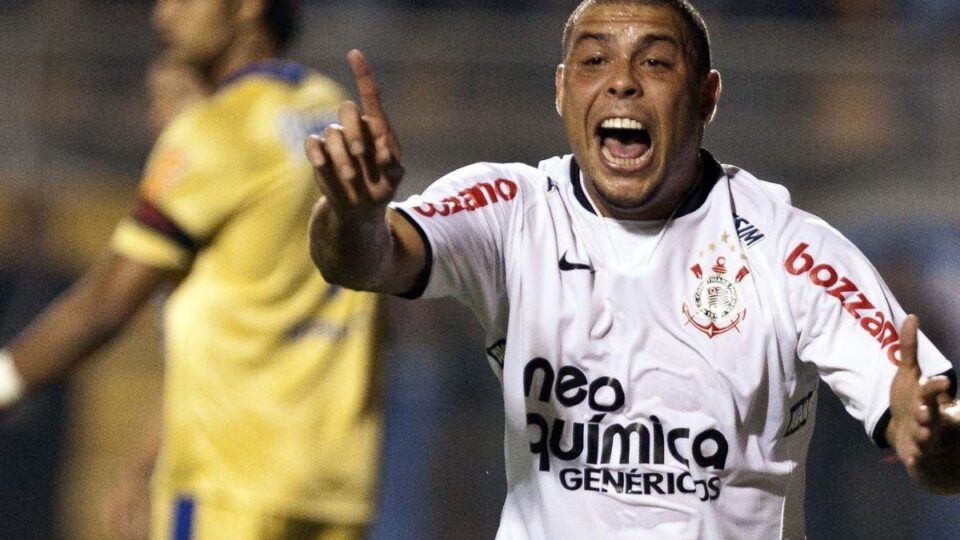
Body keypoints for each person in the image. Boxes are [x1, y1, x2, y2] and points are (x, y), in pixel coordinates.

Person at [304, 0, 960, 538]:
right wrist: (356, 215)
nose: (621, 80)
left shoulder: (789, 249)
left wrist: (928, 436)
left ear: (707, 96)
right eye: (595, 60)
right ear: (563, 91)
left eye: (654, 61)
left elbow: (926, 415)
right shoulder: (512, 209)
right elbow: (368, 259)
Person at [0, 1, 382, 539]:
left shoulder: (219, 130)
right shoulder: (334, 113)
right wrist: (141, 464)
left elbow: (106, 302)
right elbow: (238, 330)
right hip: (335, 483)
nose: (163, 14)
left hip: (229, 485)